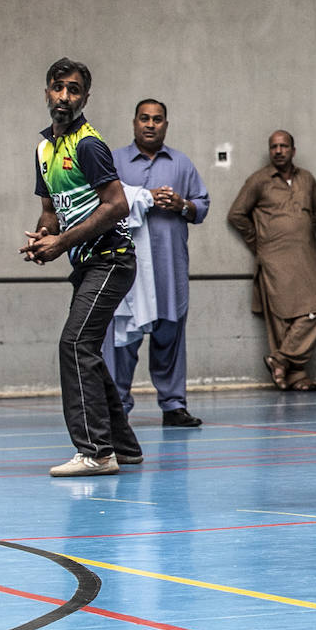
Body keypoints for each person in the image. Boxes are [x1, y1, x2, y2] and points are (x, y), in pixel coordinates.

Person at [21, 58, 141, 476]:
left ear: (85, 97)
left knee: (74, 345)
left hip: (112, 259)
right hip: (86, 264)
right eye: (58, 88)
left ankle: (96, 452)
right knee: (84, 347)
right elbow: (51, 211)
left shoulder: (89, 144)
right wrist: (43, 236)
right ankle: (124, 446)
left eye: (74, 90)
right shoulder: (43, 149)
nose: (64, 97)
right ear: (47, 92)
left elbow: (117, 204)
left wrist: (63, 243)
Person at [103, 99, 210, 427]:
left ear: (166, 124)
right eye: (144, 119)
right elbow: (101, 201)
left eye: (158, 119)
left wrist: (180, 204)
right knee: (123, 338)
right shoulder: (114, 161)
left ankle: (174, 405)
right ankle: (116, 406)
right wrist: (143, 196)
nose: (150, 125)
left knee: (170, 335)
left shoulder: (181, 163)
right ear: (134, 122)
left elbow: (201, 208)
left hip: (169, 268)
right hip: (126, 269)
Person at [228, 131, 316, 392]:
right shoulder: (259, 181)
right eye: (274, 146)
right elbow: (236, 214)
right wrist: (259, 243)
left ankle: (280, 359)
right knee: (282, 319)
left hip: (305, 256)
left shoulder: (306, 179)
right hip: (273, 258)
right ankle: (296, 377)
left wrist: (300, 230)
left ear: (293, 150)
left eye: (284, 146)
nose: (278, 150)